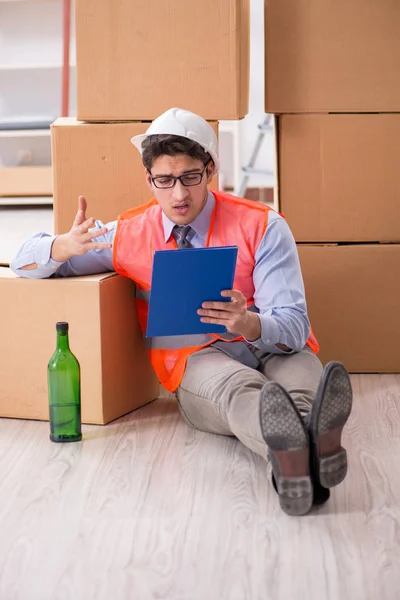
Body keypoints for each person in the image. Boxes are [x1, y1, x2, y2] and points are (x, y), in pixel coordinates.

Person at [11, 107, 353, 516]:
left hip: (272, 342)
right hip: (197, 358)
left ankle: (293, 463)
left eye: (190, 177)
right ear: (149, 179)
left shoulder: (262, 225)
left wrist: (249, 322)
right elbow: (21, 260)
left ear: (210, 170)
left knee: (298, 386)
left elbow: (294, 326)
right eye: (165, 181)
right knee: (241, 395)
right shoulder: (131, 233)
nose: (178, 194)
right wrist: (62, 246)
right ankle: (308, 450)